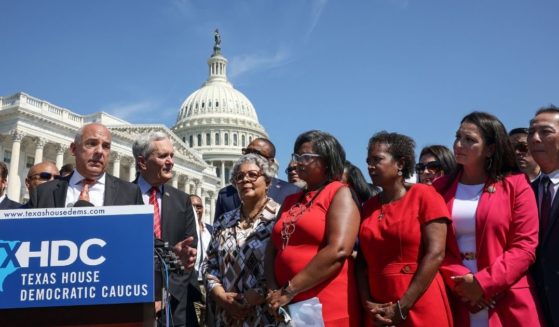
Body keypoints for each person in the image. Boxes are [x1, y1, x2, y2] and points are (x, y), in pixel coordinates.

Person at [435, 112, 543, 327]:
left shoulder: (517, 186)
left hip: (508, 298)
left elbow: (525, 247)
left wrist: (483, 284)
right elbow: (432, 246)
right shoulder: (439, 188)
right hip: (457, 298)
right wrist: (463, 283)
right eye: (458, 137)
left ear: (491, 149)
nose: (459, 144)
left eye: (470, 140)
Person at [357, 131, 452, 327]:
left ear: (400, 164)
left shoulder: (425, 195)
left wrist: (402, 306)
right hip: (378, 309)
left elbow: (436, 254)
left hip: (418, 299)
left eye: (377, 160)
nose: (370, 166)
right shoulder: (368, 206)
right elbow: (362, 262)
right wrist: (368, 303)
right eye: (368, 160)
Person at [266, 130, 361, 326]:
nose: (297, 162)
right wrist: (273, 290)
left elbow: (339, 250)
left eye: (306, 157)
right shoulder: (290, 200)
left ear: (327, 161)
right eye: (297, 156)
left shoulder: (339, 193)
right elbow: (272, 248)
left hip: (323, 302)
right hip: (287, 303)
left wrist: (289, 290)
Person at [202, 153, 280, 326]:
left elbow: (285, 264)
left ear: (267, 181)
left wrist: (258, 294)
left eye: (253, 175)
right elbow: (209, 264)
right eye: (239, 177)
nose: (245, 180)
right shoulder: (224, 221)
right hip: (226, 315)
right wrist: (220, 295)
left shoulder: (280, 217)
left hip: (265, 314)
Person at [132, 131, 198, 327]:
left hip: (175, 305)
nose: (170, 161)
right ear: (142, 162)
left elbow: (189, 254)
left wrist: (166, 296)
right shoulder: (123, 197)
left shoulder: (182, 200)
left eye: (171, 155)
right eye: (163, 156)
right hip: (134, 303)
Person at [29, 123, 143, 208]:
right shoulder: (43, 192)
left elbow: (143, 236)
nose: (100, 151)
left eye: (106, 146)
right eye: (92, 144)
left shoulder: (130, 193)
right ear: (74, 149)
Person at [213, 138, 300, 221]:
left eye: (256, 153)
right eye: (247, 152)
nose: (249, 156)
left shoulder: (291, 191)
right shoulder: (225, 195)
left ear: (271, 162)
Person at [527, 105, 559, 327]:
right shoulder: (524, 193)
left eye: (545, 132)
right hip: (538, 310)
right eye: (531, 132)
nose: (535, 139)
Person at [189, 194, 213, 326]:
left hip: (210, 284)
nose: (197, 209)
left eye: (199, 206)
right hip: (193, 283)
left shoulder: (210, 229)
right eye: (193, 206)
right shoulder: (183, 230)